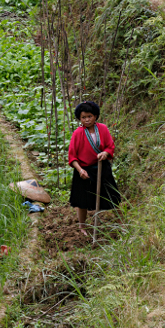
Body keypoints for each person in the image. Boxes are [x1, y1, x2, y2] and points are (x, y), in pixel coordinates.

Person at [68, 101, 120, 236]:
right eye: (83, 117)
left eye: (89, 116)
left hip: (102, 167)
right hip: (84, 170)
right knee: (82, 200)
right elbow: (72, 157)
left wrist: (105, 153)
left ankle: (119, 222)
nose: (87, 120)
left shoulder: (102, 129)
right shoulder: (77, 133)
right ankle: (82, 227)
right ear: (80, 118)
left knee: (111, 195)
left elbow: (110, 146)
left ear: (95, 116)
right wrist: (80, 170)